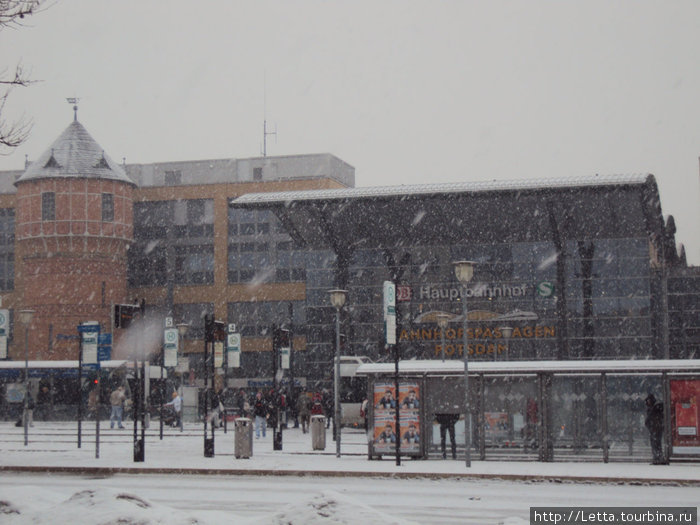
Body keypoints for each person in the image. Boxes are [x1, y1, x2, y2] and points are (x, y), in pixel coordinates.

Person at [645, 393, 665, 465]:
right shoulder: (654, 408)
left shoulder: (656, 408)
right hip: (654, 428)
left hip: (655, 428)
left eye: (648, 401)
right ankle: (657, 458)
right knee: (655, 443)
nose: (647, 402)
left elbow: (651, 418)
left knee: (656, 443)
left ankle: (658, 458)